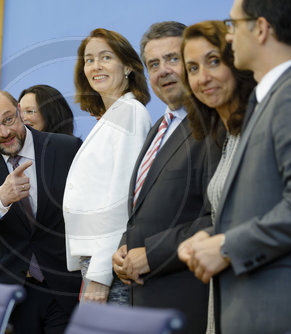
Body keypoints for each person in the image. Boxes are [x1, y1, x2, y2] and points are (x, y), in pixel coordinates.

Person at [178, 1, 291, 333]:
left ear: (260, 28)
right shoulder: (269, 102)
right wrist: (210, 236)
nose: (229, 37)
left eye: (232, 25)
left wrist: (225, 246)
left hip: (282, 315)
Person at [110, 21, 221, 333]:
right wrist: (124, 245)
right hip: (143, 301)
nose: (162, 71)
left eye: (172, 59)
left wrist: (153, 254)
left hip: (188, 301)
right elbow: (144, 208)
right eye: (153, 64)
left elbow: (219, 215)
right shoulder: (158, 127)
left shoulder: (214, 124)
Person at [0, 90, 82, 334]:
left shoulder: (65, 148)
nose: (5, 133)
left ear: (19, 110)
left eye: (9, 120)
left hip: (64, 287)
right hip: (14, 294)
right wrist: (1, 198)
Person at [63, 28, 152, 305]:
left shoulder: (131, 113)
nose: (96, 66)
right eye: (89, 60)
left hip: (109, 263)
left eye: (105, 57)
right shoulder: (111, 117)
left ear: (127, 66)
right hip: (97, 259)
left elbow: (121, 200)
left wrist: (100, 274)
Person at [180, 20, 256, 333]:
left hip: (261, 298)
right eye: (193, 68)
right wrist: (204, 239)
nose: (203, 77)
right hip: (227, 295)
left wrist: (223, 245)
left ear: (236, 61)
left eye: (214, 61)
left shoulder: (259, 128)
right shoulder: (226, 137)